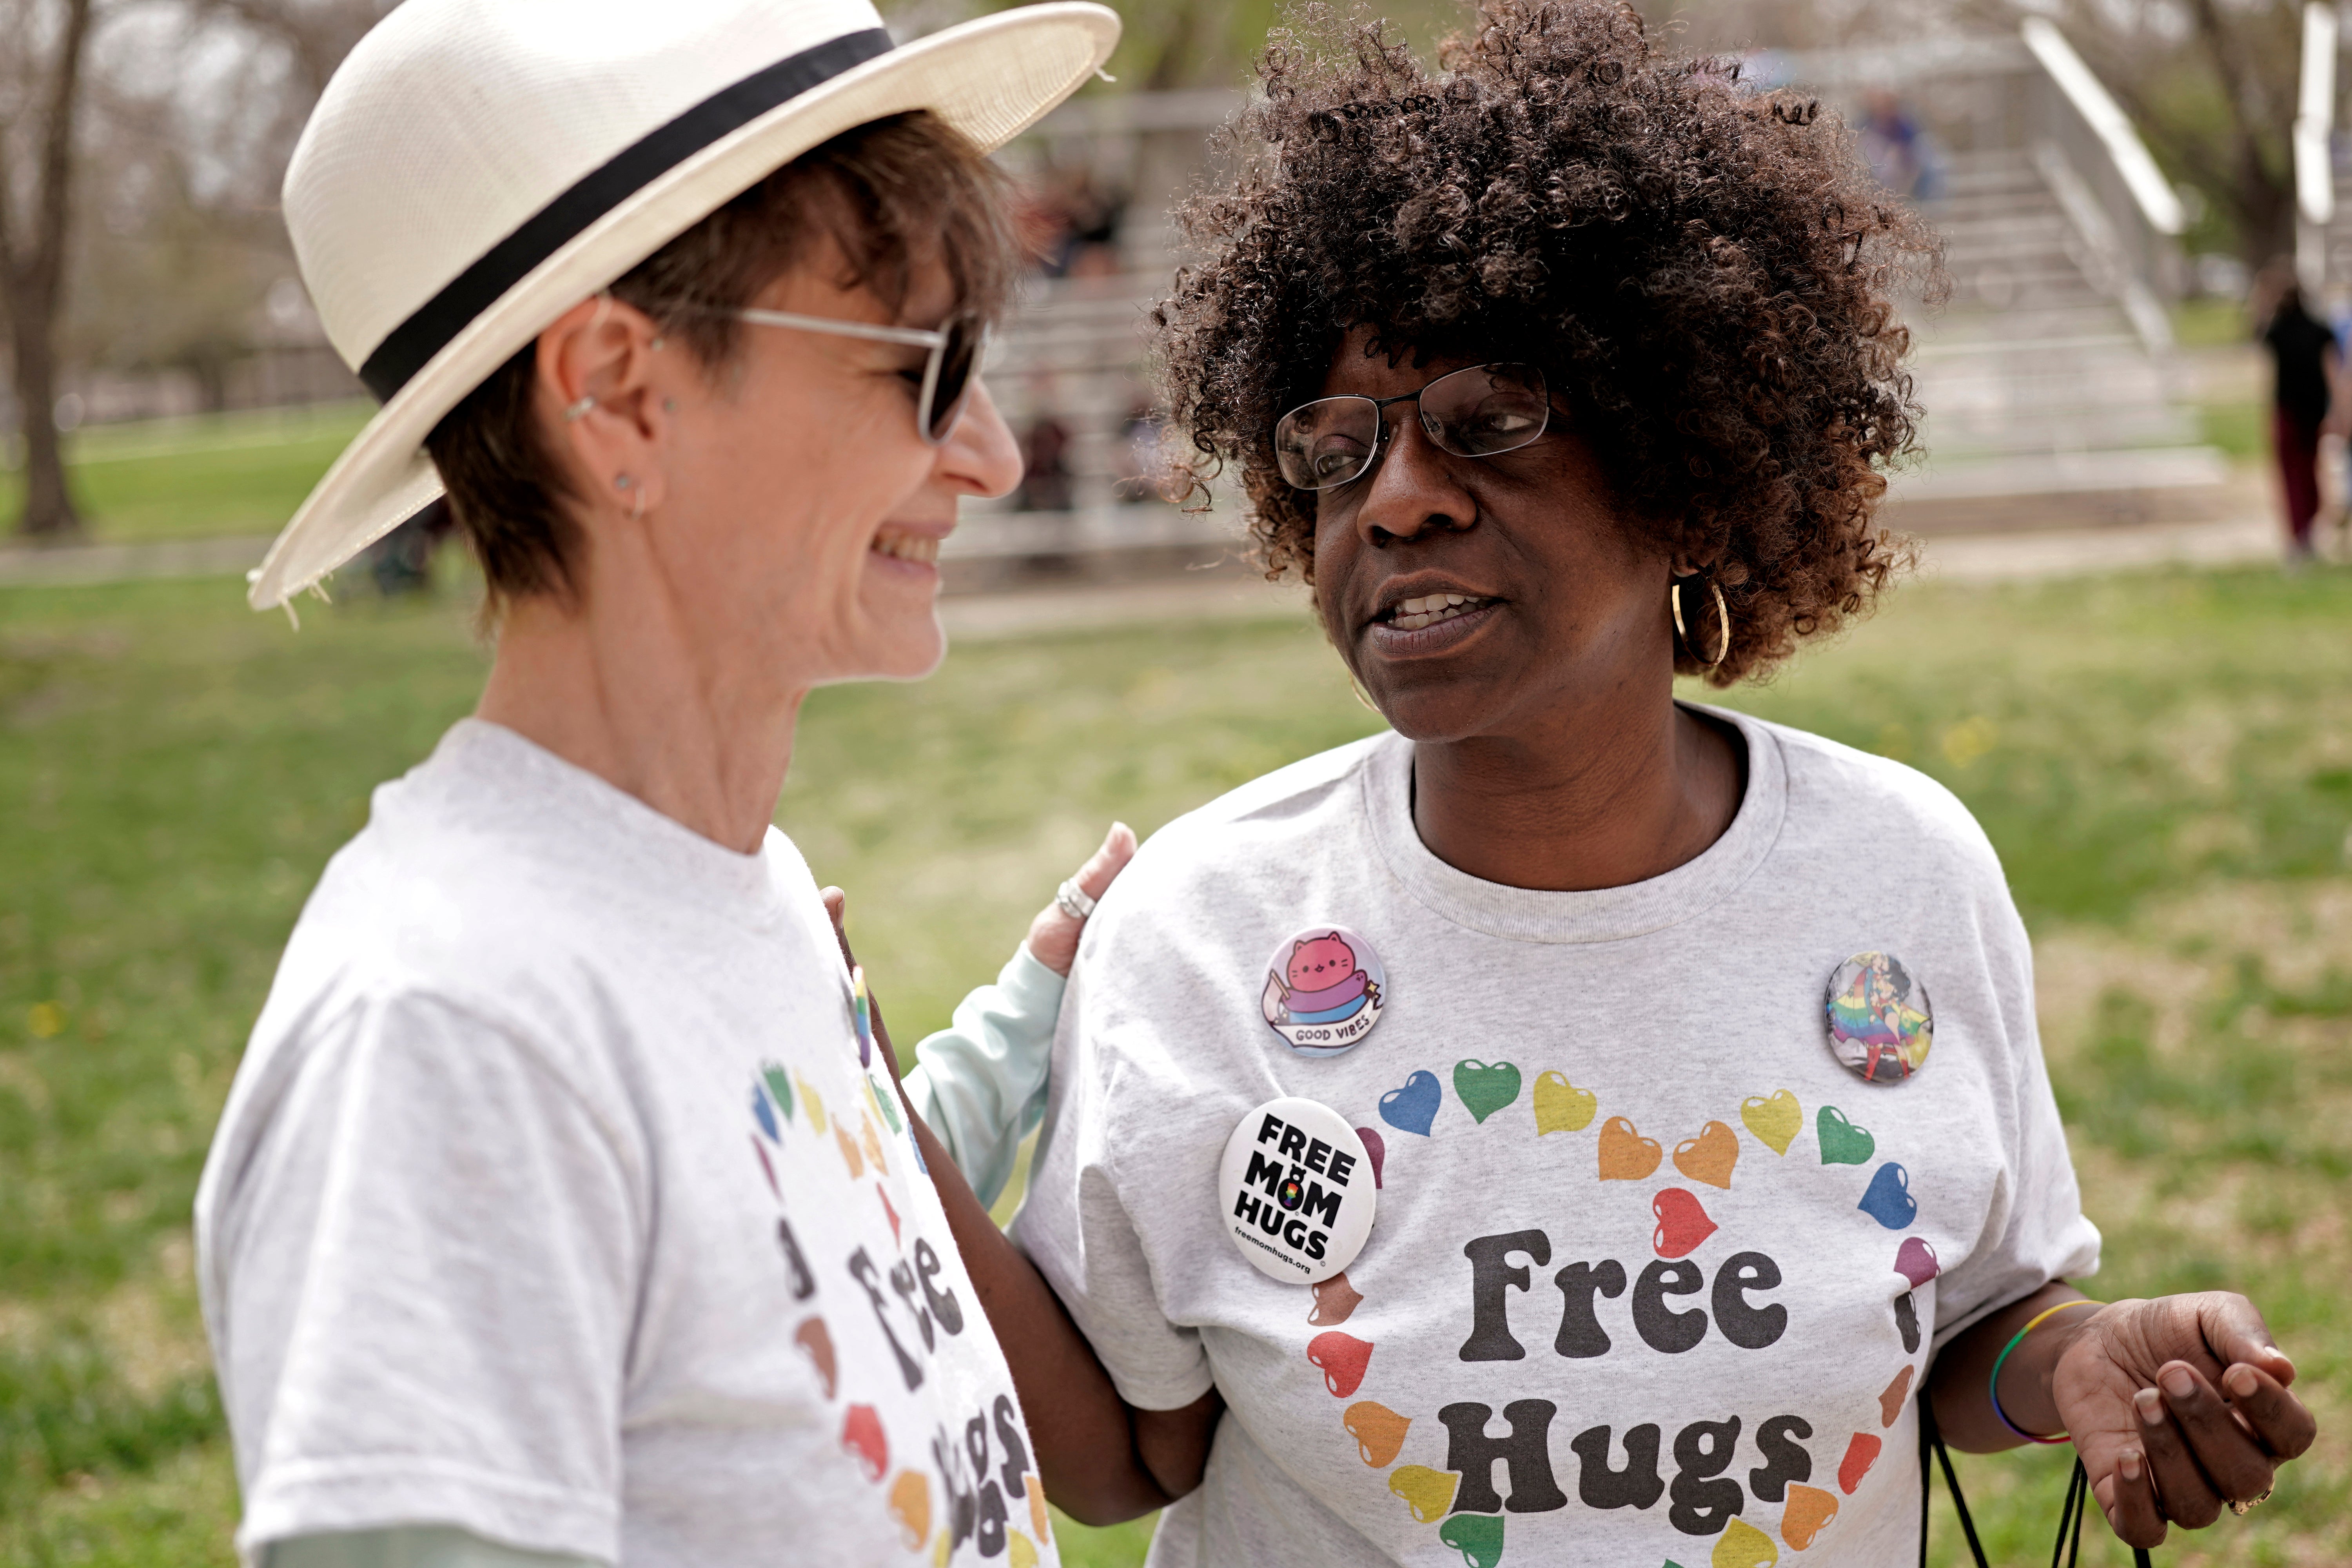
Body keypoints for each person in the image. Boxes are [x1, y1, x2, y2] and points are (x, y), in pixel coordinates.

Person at [999, 5, 2320, 1561]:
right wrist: (889, 1133)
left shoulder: (1905, 873)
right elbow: (1129, 1452)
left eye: (1490, 422)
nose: (1399, 499)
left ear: (1690, 477)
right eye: (1339, 447)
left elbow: (1964, 1313)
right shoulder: (1205, 928)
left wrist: (2073, 1357)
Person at [191, 2, 1123, 1565]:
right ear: (621, 392)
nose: (992, 457)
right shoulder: (449, 1038)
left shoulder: (740, 884)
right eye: (928, 366)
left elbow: (795, 1274)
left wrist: (1031, 1018)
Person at [2254, 260, 2340, 564]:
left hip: (2289, 412)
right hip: (2313, 411)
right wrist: (2338, 411)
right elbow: (2333, 375)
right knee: (2310, 471)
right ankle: (2308, 530)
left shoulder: (2277, 333)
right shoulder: (2320, 331)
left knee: (2292, 475)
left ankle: (2300, 534)